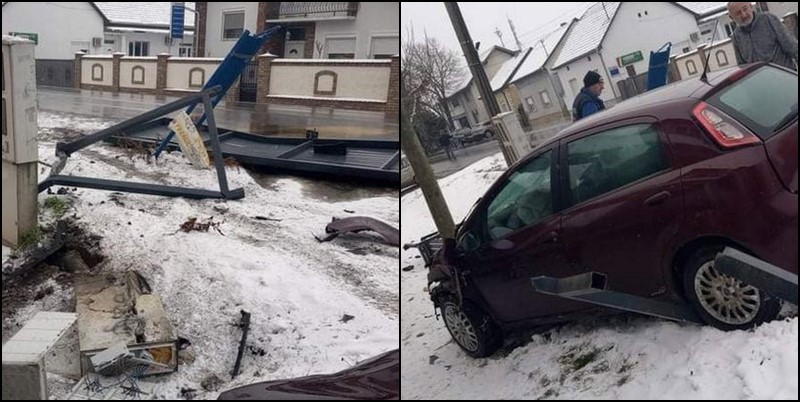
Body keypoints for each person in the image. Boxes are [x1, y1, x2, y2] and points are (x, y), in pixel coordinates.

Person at [728, 2, 798, 70]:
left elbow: (792, 46)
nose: (744, 15)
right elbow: (743, 66)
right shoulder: (737, 36)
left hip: (784, 76)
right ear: (731, 17)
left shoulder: (768, 19)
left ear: (751, 6)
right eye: (738, 13)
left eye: (745, 9)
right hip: (762, 80)